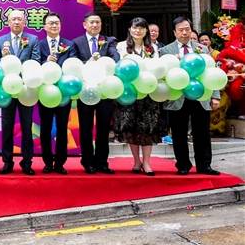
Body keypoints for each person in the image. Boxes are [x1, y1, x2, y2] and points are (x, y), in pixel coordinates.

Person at [159, 16, 221, 175]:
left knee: (202, 133)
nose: (185, 32)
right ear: (174, 32)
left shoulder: (202, 49)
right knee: (178, 133)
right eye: (181, 30)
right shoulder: (165, 51)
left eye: (187, 29)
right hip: (177, 97)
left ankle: (204, 165)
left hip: (201, 96)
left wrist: (215, 96)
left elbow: (212, 72)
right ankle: (183, 165)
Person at [72, 12, 120, 174]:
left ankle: (102, 162)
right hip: (86, 91)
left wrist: (104, 62)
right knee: (85, 128)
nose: (95, 25)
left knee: (104, 128)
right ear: (84, 25)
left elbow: (115, 58)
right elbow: (74, 63)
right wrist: (90, 62)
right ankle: (87, 161)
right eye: (91, 22)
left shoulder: (108, 41)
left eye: (97, 22)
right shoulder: (77, 42)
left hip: (104, 91)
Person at [115, 17, 162, 176]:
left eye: (141, 28)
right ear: (129, 29)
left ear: (146, 30)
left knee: (148, 127)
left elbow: (157, 69)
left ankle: (147, 162)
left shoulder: (152, 48)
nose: (138, 31)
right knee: (131, 127)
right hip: (129, 93)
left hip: (148, 93)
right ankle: (136, 161)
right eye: (135, 27)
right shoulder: (121, 47)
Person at [0, 10, 40, 175]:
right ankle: (7, 162)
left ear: (24, 22)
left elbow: (36, 61)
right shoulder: (1, 41)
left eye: (19, 19)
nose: (16, 22)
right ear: (8, 22)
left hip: (25, 89)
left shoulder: (33, 39)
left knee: (27, 127)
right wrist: (4, 58)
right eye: (13, 19)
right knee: (7, 127)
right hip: (7, 90)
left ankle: (27, 162)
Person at [37, 12, 76, 175]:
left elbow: (73, 65)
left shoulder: (69, 44)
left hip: (63, 92)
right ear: (44, 26)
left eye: (56, 23)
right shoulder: (38, 45)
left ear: (60, 25)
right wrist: (46, 63)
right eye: (51, 23)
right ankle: (47, 162)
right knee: (45, 128)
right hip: (45, 92)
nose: (54, 25)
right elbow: (34, 63)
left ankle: (60, 163)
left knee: (62, 128)